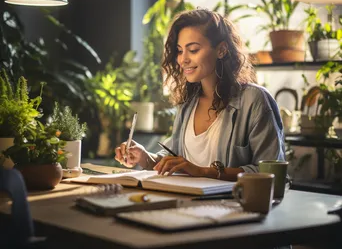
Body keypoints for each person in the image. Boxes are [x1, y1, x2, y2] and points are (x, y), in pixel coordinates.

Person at [115, 9, 286, 178]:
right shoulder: (188, 103)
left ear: (221, 50)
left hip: (233, 204)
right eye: (180, 50)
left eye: (194, 50)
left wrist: (202, 171)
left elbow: (271, 172)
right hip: (187, 202)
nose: (183, 59)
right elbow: (176, 161)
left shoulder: (254, 100)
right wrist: (145, 157)